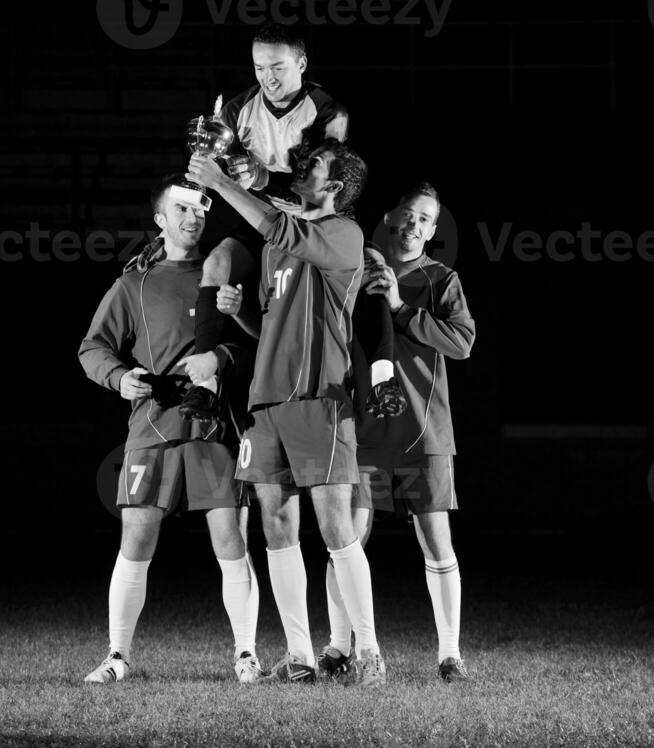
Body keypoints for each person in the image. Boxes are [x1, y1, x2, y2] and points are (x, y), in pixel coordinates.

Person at [186, 139, 386, 687]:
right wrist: (242, 312)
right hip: (265, 403)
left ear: (336, 187)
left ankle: (368, 651)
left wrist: (223, 183)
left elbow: (277, 227)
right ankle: (299, 657)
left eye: (314, 166)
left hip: (320, 399)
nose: (301, 169)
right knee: (275, 527)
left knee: (335, 527)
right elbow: (272, 322)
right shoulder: (279, 247)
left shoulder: (345, 235)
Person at [78, 174, 261, 684]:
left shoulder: (227, 274)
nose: (193, 216)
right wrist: (120, 378)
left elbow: (261, 346)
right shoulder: (133, 284)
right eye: (180, 208)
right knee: (136, 537)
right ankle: (117, 656)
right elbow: (93, 348)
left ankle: (246, 655)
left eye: (200, 207)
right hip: (151, 426)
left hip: (216, 429)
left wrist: (225, 348)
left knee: (232, 539)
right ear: (160, 219)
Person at [180, 22, 405, 423]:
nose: (268, 77)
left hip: (316, 215)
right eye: (259, 67)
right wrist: (217, 172)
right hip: (264, 217)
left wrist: (263, 177)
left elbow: (322, 178)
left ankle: (383, 375)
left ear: (302, 63)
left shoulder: (327, 110)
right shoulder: (236, 109)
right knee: (216, 265)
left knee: (370, 272)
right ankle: (205, 384)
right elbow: (226, 171)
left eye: (278, 67)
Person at [318, 183, 475, 684]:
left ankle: (450, 654)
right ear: (388, 217)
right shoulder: (355, 270)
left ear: (433, 231)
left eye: (425, 220)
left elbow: (462, 342)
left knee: (435, 540)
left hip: (423, 433)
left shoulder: (440, 278)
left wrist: (402, 307)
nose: (414, 226)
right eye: (408, 216)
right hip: (360, 431)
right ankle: (339, 646)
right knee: (347, 536)